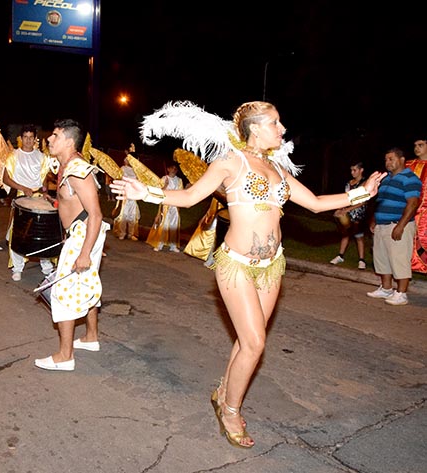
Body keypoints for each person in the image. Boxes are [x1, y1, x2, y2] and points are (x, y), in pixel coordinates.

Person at [110, 100, 385, 448]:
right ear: (254, 128)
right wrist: (146, 191)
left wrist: (363, 192)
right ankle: (230, 409)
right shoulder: (230, 162)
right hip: (236, 264)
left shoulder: (277, 169)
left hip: (272, 267)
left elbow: (315, 202)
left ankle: (224, 390)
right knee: (255, 343)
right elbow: (191, 196)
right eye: (275, 123)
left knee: (245, 339)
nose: (282, 130)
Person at [34, 119, 109, 371]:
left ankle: (65, 356)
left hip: (85, 233)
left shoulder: (77, 169)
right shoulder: (67, 166)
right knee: (86, 283)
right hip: (80, 232)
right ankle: (91, 337)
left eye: (55, 135)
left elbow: (96, 214)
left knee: (62, 293)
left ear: (68, 141)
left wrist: (84, 251)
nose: (49, 140)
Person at [366, 148, 421, 306]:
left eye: (391, 159)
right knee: (382, 258)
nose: (388, 163)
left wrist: (401, 225)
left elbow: (413, 203)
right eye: (386, 160)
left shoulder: (410, 178)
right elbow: (380, 201)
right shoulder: (386, 179)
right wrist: (374, 220)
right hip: (382, 225)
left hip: (397, 224)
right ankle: (386, 288)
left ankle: (401, 293)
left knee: (399, 259)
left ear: (402, 159)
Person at [3, 124, 54, 281]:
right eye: (25, 137)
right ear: (21, 138)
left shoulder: (42, 156)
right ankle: (18, 267)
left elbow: (44, 176)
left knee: (41, 232)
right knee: (18, 233)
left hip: (38, 197)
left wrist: (44, 188)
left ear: (35, 139)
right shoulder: (13, 156)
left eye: (31, 137)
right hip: (21, 197)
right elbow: (5, 179)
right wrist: (22, 188)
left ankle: (47, 266)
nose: (28, 140)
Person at [329, 161, 368, 269]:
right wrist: (340, 208)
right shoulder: (348, 183)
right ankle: (340, 256)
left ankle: (362, 260)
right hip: (347, 211)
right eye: (351, 170)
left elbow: (362, 201)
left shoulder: (364, 183)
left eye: (355, 170)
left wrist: (347, 210)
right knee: (345, 234)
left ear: (361, 170)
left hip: (358, 213)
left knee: (358, 236)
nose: (352, 172)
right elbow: (345, 198)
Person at [146, 162, 183, 252]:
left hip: (174, 205)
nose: (174, 170)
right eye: (172, 168)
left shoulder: (179, 180)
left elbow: (181, 192)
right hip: (165, 204)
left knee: (173, 225)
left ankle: (173, 245)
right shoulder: (164, 178)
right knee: (164, 224)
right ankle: (159, 244)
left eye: (175, 169)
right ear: (168, 169)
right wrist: (165, 185)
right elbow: (159, 191)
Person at [406, 138, 427, 273]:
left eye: (421, 145)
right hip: (409, 210)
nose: (417, 148)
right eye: (415, 145)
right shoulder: (408, 165)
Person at [112, 150, 141, 240]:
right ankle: (122, 232)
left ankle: (131, 233)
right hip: (125, 193)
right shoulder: (123, 169)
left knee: (133, 214)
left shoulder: (137, 170)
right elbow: (119, 178)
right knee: (124, 213)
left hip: (134, 194)